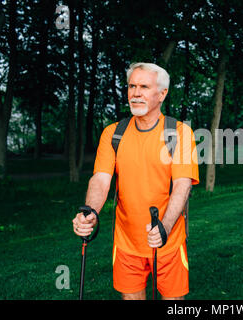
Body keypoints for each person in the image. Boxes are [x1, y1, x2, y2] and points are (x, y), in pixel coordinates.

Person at [72, 62, 199, 300]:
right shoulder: (113, 133)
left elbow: (182, 186)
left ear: (162, 94)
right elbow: (100, 179)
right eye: (132, 86)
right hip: (126, 243)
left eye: (144, 86)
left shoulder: (180, 133)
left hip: (168, 241)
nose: (136, 93)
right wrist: (90, 212)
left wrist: (165, 227)